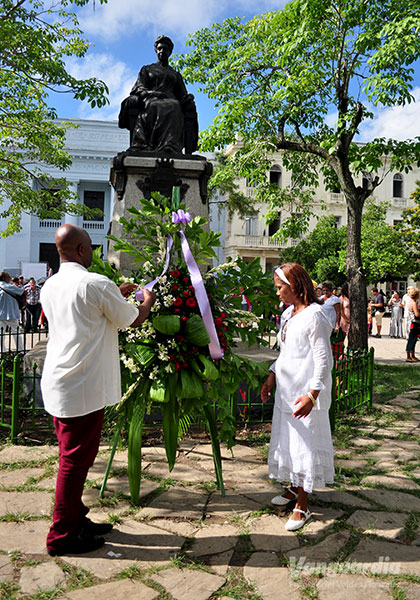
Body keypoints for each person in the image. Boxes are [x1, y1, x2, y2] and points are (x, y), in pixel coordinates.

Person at [41, 224, 156, 556]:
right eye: (91, 246)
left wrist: (112, 296)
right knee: (74, 461)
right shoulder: (94, 283)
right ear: (79, 250)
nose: (94, 251)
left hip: (62, 380)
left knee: (76, 456)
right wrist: (146, 301)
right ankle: (61, 535)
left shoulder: (52, 284)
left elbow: (85, 314)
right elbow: (132, 319)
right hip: (81, 384)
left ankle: (76, 518)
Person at [260, 263, 334, 531]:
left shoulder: (315, 315)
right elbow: (286, 352)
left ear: (295, 286)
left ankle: (302, 505)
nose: (277, 292)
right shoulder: (289, 314)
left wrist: (312, 395)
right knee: (289, 442)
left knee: (303, 445)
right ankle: (293, 488)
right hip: (287, 391)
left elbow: (323, 360)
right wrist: (272, 376)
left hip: (305, 394)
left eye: (280, 288)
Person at [119, 35, 198, 154]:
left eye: (165, 49)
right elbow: (139, 87)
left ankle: (170, 146)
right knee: (154, 106)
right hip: (150, 99)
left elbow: (182, 94)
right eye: (159, 49)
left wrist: (188, 98)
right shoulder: (147, 69)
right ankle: (148, 145)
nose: (162, 51)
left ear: (169, 52)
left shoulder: (175, 74)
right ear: (156, 50)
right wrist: (152, 93)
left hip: (172, 101)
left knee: (175, 106)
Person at [0, 272, 25, 353]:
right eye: (8, 277)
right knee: (16, 333)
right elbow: (23, 292)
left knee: (1, 335)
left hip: (1, 314)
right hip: (12, 314)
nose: (10, 278)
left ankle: (2, 351)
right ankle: (21, 351)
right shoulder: (10, 286)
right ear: (4, 278)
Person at [405, 287, 420, 362]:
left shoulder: (413, 302)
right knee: (412, 339)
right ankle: (408, 356)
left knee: (414, 340)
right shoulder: (413, 303)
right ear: (416, 295)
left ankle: (412, 355)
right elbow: (417, 314)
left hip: (414, 323)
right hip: (415, 323)